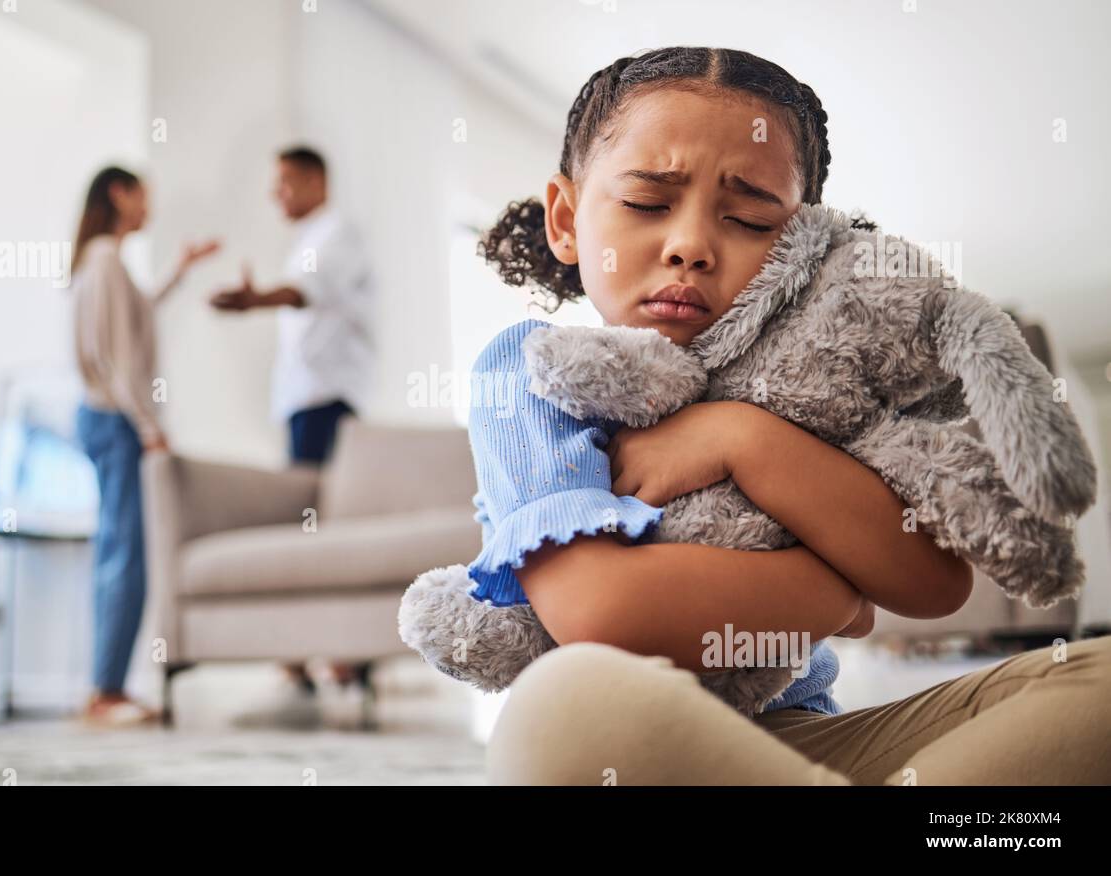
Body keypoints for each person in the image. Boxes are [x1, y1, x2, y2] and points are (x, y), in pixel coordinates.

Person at [467, 47, 1111, 784]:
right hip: (634, 744)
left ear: (808, 250)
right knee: (564, 703)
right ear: (566, 218)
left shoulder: (811, 383)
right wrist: (839, 594)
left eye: (748, 219)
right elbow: (600, 615)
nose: (691, 247)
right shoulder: (533, 371)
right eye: (648, 203)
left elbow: (931, 585)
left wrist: (740, 438)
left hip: (800, 747)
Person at [210, 146, 376, 698]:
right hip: (306, 403)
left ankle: (338, 653)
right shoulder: (308, 240)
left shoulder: (336, 235)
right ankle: (317, 651)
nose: (274, 194)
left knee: (318, 526)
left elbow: (308, 291)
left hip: (325, 403)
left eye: (283, 182)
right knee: (313, 524)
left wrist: (256, 300)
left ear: (314, 180)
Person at [70, 166, 220, 726]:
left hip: (105, 418)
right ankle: (106, 692)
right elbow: (116, 357)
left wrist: (179, 270)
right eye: (143, 196)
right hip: (115, 421)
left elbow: (133, 320)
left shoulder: (102, 260)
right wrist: (146, 422)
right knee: (124, 555)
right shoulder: (106, 258)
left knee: (121, 550)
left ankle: (106, 687)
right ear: (119, 193)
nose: (148, 206)